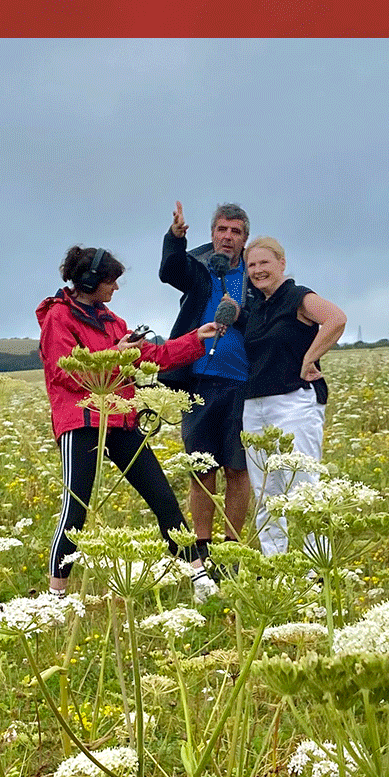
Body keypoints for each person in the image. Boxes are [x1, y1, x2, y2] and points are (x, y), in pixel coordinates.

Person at [35, 245, 222, 593]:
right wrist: (113, 355)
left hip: (121, 420)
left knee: (163, 498)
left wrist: (196, 339)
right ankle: (55, 597)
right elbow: (63, 373)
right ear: (89, 280)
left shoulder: (113, 321)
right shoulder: (58, 318)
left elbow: (153, 356)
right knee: (75, 512)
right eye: (110, 281)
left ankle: (199, 579)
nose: (115, 289)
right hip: (80, 423)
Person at [238, 237, 347, 556]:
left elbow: (336, 318)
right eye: (252, 265)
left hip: (294, 401)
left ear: (281, 264)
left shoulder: (296, 296)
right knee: (265, 489)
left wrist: (310, 357)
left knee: (303, 484)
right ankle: (276, 564)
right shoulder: (257, 305)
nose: (258, 271)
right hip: (254, 405)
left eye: (264, 263)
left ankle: (318, 566)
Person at [159, 200, 253, 566]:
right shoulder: (197, 267)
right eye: (222, 230)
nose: (228, 237)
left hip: (244, 383)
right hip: (198, 380)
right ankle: (201, 548)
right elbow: (169, 272)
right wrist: (175, 237)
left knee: (237, 468)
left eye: (236, 232)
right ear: (212, 234)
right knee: (202, 467)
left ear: (245, 239)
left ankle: (230, 550)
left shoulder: (255, 272)